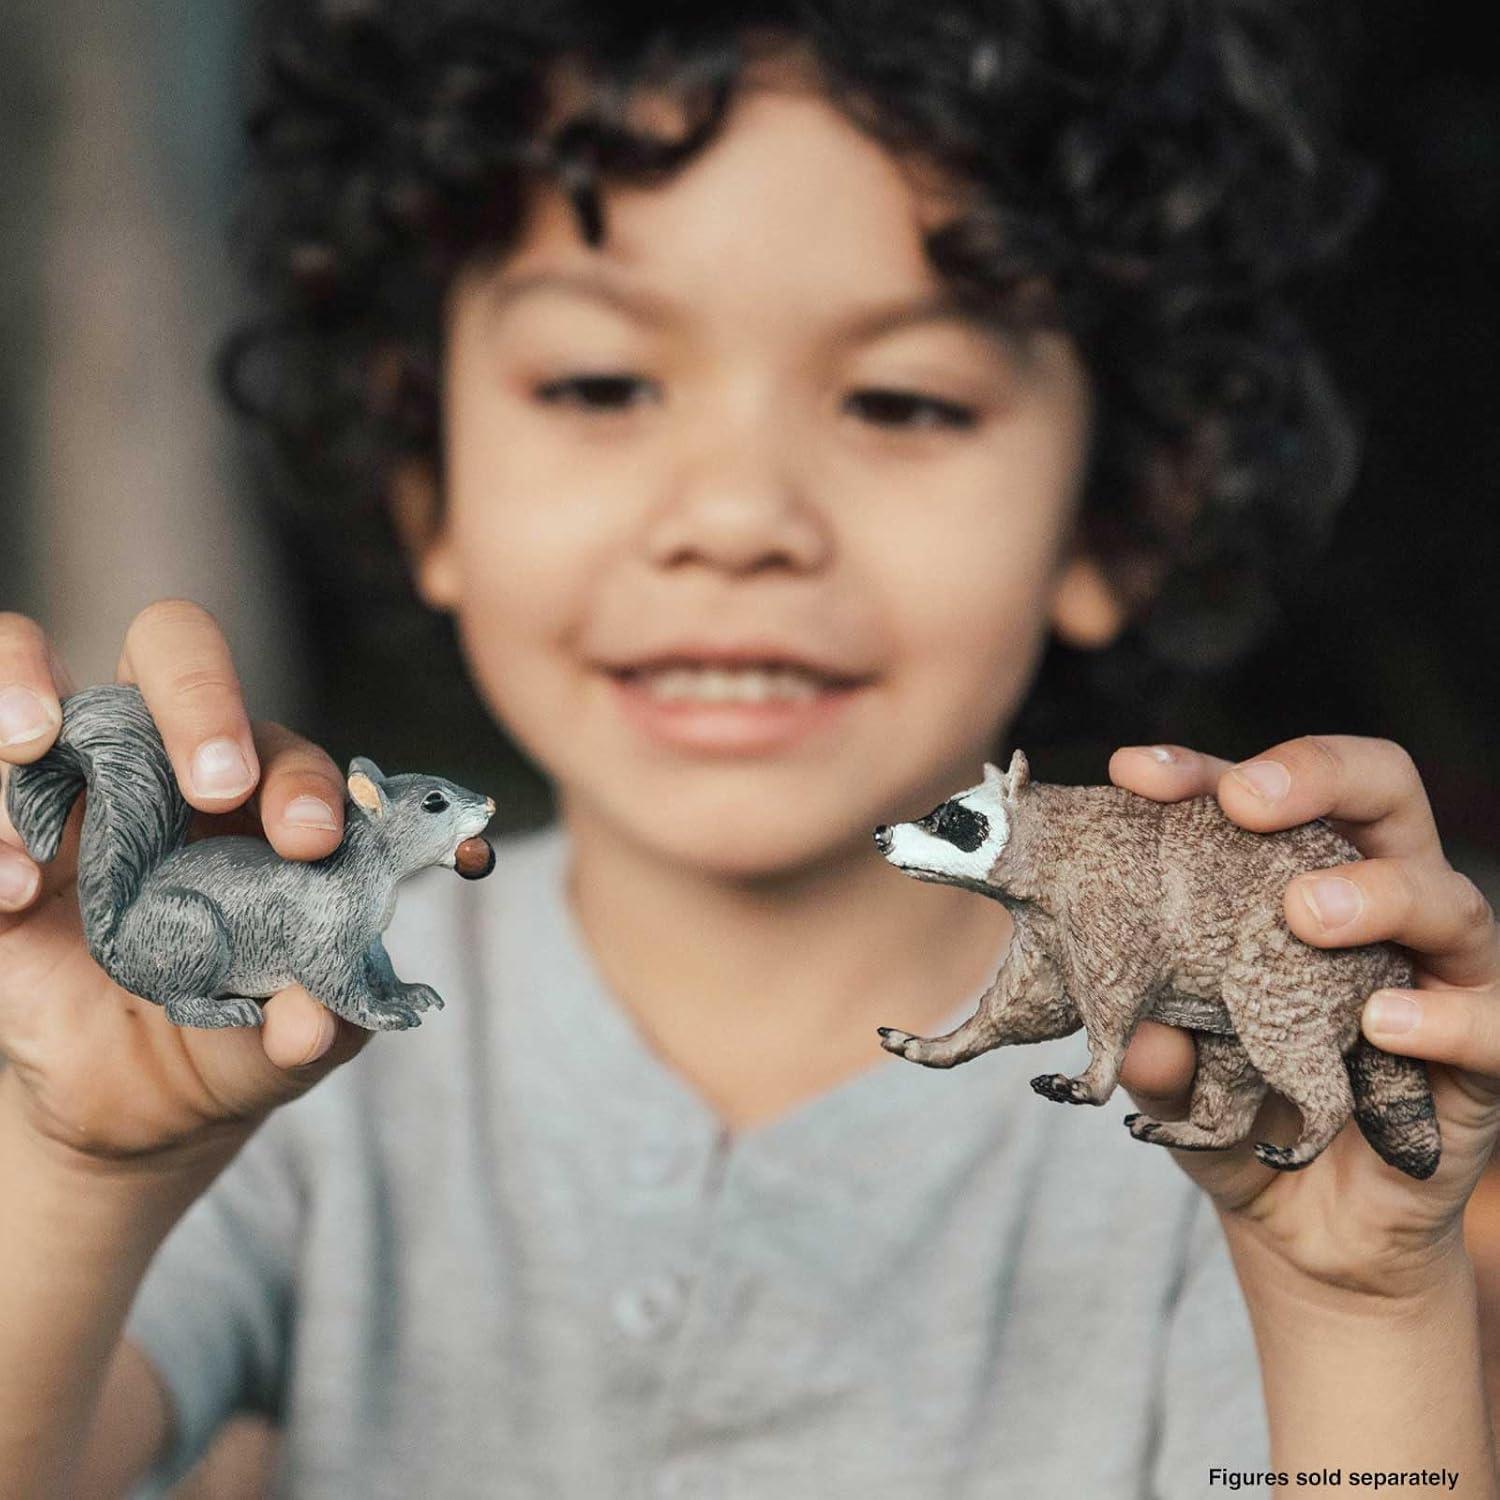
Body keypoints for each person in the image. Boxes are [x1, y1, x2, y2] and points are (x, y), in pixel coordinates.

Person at [2, 5, 1498, 1496]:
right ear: (424, 479)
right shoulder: (279, 1025)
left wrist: (1354, 1309)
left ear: (1120, 510)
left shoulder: (1237, 1107)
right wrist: (73, 1164)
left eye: (901, 399)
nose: (735, 516)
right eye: (599, 384)